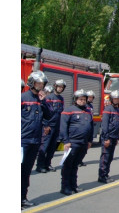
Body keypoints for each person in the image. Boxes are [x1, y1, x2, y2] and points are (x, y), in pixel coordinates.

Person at [21, 71, 51, 208]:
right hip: (22, 141)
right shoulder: (22, 97)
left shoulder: (41, 100)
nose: (40, 86)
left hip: (35, 141)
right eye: (38, 83)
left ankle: (22, 198)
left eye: (42, 84)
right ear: (31, 83)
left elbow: (49, 115)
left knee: (26, 171)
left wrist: (44, 101)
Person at [59, 89, 93, 195]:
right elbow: (63, 127)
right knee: (68, 166)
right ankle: (65, 187)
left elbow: (91, 127)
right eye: (80, 99)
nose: (82, 101)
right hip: (72, 143)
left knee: (75, 166)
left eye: (84, 99)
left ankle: (73, 185)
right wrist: (66, 141)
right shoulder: (68, 110)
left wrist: (90, 141)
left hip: (83, 143)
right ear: (75, 99)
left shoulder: (88, 111)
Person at [36, 79, 66, 173]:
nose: (60, 88)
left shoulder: (61, 99)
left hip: (56, 126)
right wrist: (46, 125)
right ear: (55, 86)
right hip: (49, 126)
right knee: (44, 146)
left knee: (52, 148)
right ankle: (40, 166)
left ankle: (48, 164)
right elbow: (44, 113)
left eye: (62, 87)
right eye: (59, 86)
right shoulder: (49, 97)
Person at [98, 90, 119, 183]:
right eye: (114, 98)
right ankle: (102, 176)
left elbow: (117, 125)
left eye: (117, 99)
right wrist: (106, 138)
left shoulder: (118, 110)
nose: (116, 100)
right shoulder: (108, 109)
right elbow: (105, 125)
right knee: (105, 157)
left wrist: (116, 138)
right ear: (111, 99)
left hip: (114, 137)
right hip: (108, 137)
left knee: (110, 157)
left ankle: (106, 174)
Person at [79, 90, 95, 167]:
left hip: (90, 125)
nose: (90, 99)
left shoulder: (91, 106)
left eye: (92, 97)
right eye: (89, 97)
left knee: (86, 147)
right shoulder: (84, 106)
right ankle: (77, 161)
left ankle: (80, 160)